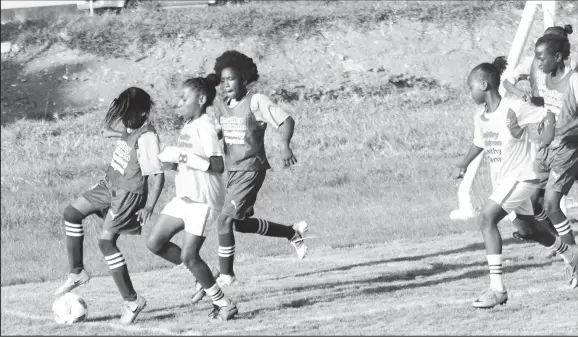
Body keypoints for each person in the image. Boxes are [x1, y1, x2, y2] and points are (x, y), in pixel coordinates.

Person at [450, 57, 578, 309]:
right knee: (529, 230)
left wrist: (546, 136)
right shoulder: (481, 116)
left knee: (486, 219)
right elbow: (479, 142)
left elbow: (549, 114)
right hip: (503, 182)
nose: (470, 92)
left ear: (484, 84)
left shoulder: (514, 107)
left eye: (471, 87)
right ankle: (572, 256)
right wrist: (463, 164)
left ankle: (497, 289)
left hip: (522, 176)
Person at [55, 87, 165, 324]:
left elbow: (157, 175)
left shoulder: (148, 138)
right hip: (109, 184)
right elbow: (128, 139)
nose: (125, 119)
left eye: (130, 115)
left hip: (127, 194)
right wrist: (116, 133)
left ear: (145, 113)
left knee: (106, 242)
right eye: (123, 114)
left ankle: (133, 301)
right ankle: (77, 272)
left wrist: (150, 207)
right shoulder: (131, 127)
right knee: (71, 213)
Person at [211, 50, 308, 286]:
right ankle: (291, 232)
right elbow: (220, 133)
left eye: (231, 79)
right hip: (232, 171)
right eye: (222, 81)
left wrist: (284, 145)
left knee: (223, 221)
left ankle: (226, 275)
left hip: (251, 169)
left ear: (243, 79)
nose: (226, 85)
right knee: (239, 224)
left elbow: (286, 121)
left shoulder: (256, 101)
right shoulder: (223, 106)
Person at [146, 75, 237, 321]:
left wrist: (182, 157)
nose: (179, 102)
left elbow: (217, 165)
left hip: (203, 200)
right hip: (185, 196)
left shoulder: (205, 125)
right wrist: (173, 162)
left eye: (184, 98)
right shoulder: (188, 125)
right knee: (155, 242)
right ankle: (204, 274)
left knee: (189, 256)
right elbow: (190, 161)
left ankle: (224, 304)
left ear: (201, 99)